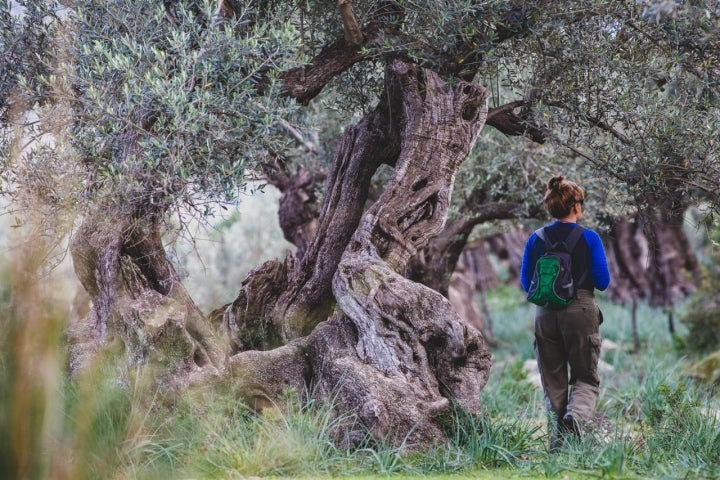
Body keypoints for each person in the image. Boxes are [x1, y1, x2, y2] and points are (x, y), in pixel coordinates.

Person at [520, 175, 611, 451]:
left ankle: (558, 446)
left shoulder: (535, 239)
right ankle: (575, 418)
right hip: (580, 310)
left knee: (553, 381)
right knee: (585, 377)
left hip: (544, 314)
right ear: (577, 206)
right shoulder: (590, 238)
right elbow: (603, 281)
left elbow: (526, 283)